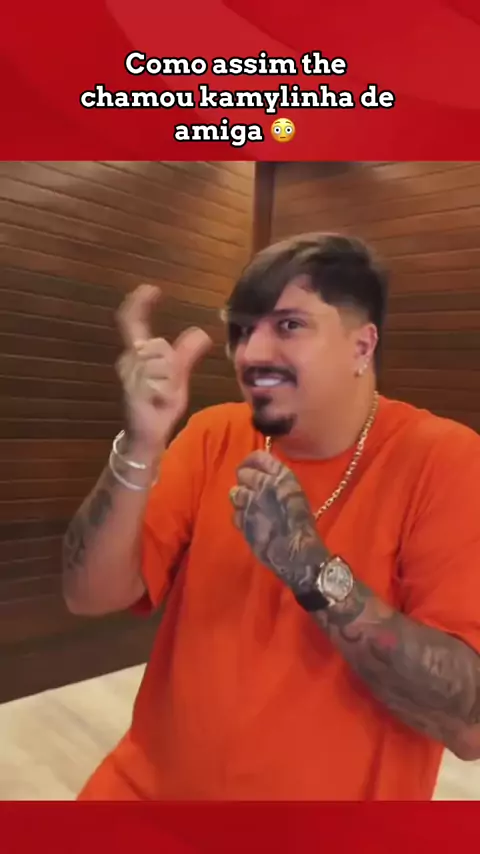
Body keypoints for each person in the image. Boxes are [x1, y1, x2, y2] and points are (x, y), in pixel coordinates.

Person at [63, 232, 480, 801]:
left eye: (288, 325)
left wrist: (312, 571)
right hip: (146, 797)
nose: (251, 354)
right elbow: (88, 595)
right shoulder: (213, 433)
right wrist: (140, 443)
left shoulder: (446, 460)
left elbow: (467, 721)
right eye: (241, 330)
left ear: (362, 346)